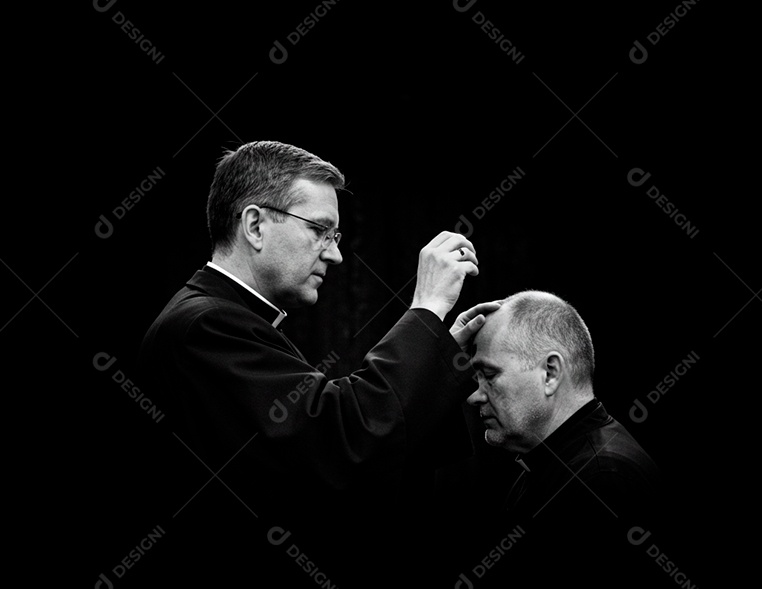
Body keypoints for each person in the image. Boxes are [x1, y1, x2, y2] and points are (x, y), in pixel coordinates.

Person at [138, 140, 499, 586]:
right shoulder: (207, 327)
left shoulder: (226, 318)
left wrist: (438, 352)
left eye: (336, 235)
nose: (335, 253)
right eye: (320, 230)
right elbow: (338, 442)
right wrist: (425, 310)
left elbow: (330, 452)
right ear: (254, 225)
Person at [455, 290, 660, 586]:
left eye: (489, 375)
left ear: (550, 373)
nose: (475, 395)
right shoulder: (552, 462)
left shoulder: (603, 479)